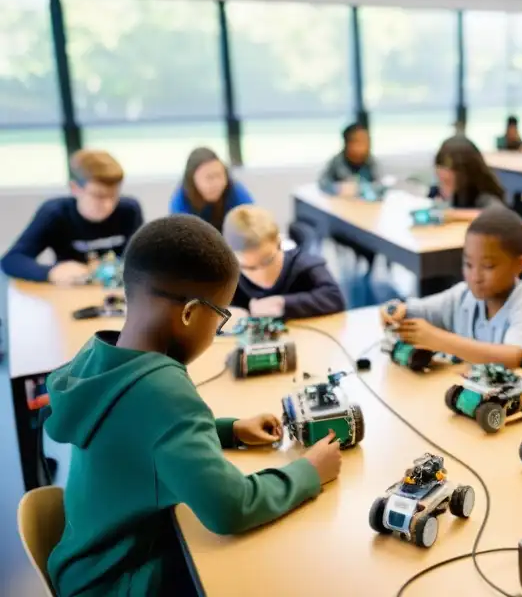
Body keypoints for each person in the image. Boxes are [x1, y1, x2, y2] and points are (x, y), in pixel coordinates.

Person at [44, 215, 342, 597]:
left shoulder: (100, 356)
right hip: (122, 582)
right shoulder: (161, 390)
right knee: (279, 571)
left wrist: (228, 430)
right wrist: (308, 472)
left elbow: (141, 437)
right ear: (189, 313)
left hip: (87, 566)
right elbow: (230, 508)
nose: (217, 331)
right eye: (219, 317)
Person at [381, 207, 522, 369]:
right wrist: (394, 311)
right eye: (468, 264)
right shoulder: (462, 295)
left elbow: (510, 357)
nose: (475, 277)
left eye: (488, 266)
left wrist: (437, 339)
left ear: (519, 265)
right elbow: (415, 310)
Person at [1, 149, 143, 284]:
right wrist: (50, 272)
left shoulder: (129, 210)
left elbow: (143, 257)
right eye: (98, 196)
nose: (108, 204)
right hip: (72, 290)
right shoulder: (55, 213)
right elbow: (12, 260)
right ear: (75, 189)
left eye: (113, 195)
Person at [224, 205, 345, 320]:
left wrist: (283, 303)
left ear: (279, 242)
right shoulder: (227, 279)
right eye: (249, 268)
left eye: (267, 260)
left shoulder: (303, 265)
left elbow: (335, 298)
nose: (262, 273)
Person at [170, 147, 254, 231]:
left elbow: (252, 223)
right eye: (209, 177)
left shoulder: (234, 190)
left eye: (219, 175)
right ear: (192, 179)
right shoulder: (181, 200)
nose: (216, 183)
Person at [430, 136, 506, 222]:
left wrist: (451, 214)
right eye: (441, 181)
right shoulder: (440, 192)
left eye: (447, 182)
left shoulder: (482, 196)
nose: (443, 189)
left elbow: (498, 215)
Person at [317, 123, 378, 195]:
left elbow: (381, 184)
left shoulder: (371, 162)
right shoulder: (337, 162)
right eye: (358, 142)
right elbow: (323, 183)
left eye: (367, 141)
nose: (365, 146)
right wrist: (339, 188)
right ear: (347, 143)